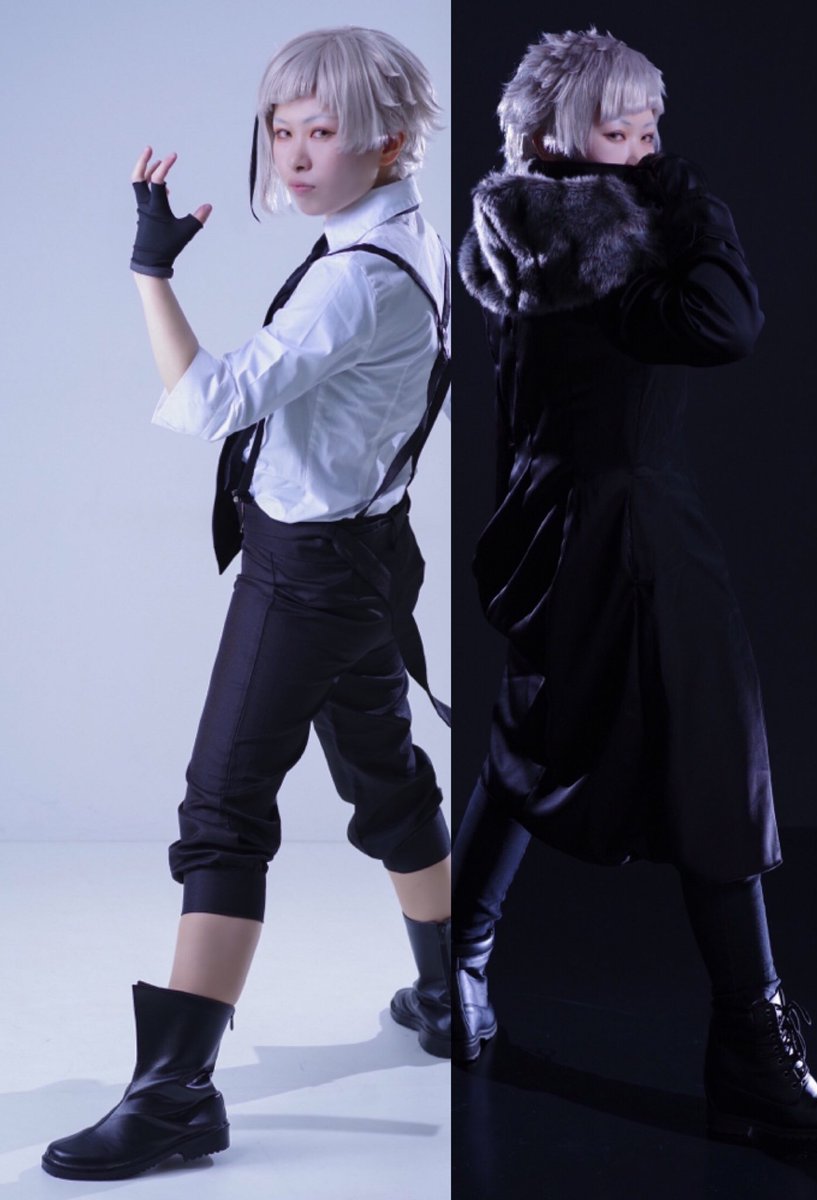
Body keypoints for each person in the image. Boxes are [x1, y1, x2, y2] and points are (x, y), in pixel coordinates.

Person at [42, 26, 451, 1182]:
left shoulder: (359, 279)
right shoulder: (405, 237)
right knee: (384, 774)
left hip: (309, 574)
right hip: (367, 558)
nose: (296, 153)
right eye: (282, 128)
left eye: (325, 131)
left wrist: (150, 272)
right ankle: (451, 990)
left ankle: (175, 1096)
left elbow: (212, 398)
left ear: (390, 142)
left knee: (223, 810)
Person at [453, 27, 817, 1144]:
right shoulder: (608, 243)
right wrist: (692, 204)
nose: (644, 147)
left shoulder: (515, 226)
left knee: (533, 737)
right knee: (717, 774)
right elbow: (729, 321)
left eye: (650, 127)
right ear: (553, 139)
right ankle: (753, 1056)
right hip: (632, 533)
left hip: (547, 520)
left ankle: (453, 963)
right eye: (619, 130)